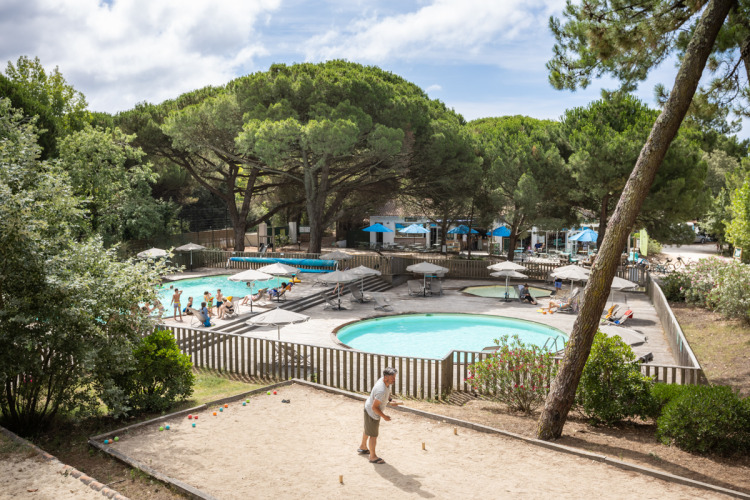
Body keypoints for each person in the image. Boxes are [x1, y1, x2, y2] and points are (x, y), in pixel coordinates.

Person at [359, 367, 401, 465]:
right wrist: (384, 416)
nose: (394, 379)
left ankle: (363, 446)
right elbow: (375, 407)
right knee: (373, 435)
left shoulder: (384, 382)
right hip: (372, 412)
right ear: (386, 377)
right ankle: (373, 457)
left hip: (368, 408)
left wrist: (390, 400)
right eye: (392, 377)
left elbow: (386, 393)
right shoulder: (381, 390)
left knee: (368, 429)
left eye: (394, 377)